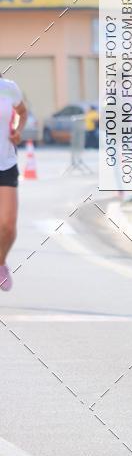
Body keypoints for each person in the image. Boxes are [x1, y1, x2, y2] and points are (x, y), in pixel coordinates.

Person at [0, 74, 28, 292]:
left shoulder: (9, 87)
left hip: (5, 163)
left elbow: (22, 112)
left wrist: (18, 131)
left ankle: (0, 263)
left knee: (8, 226)